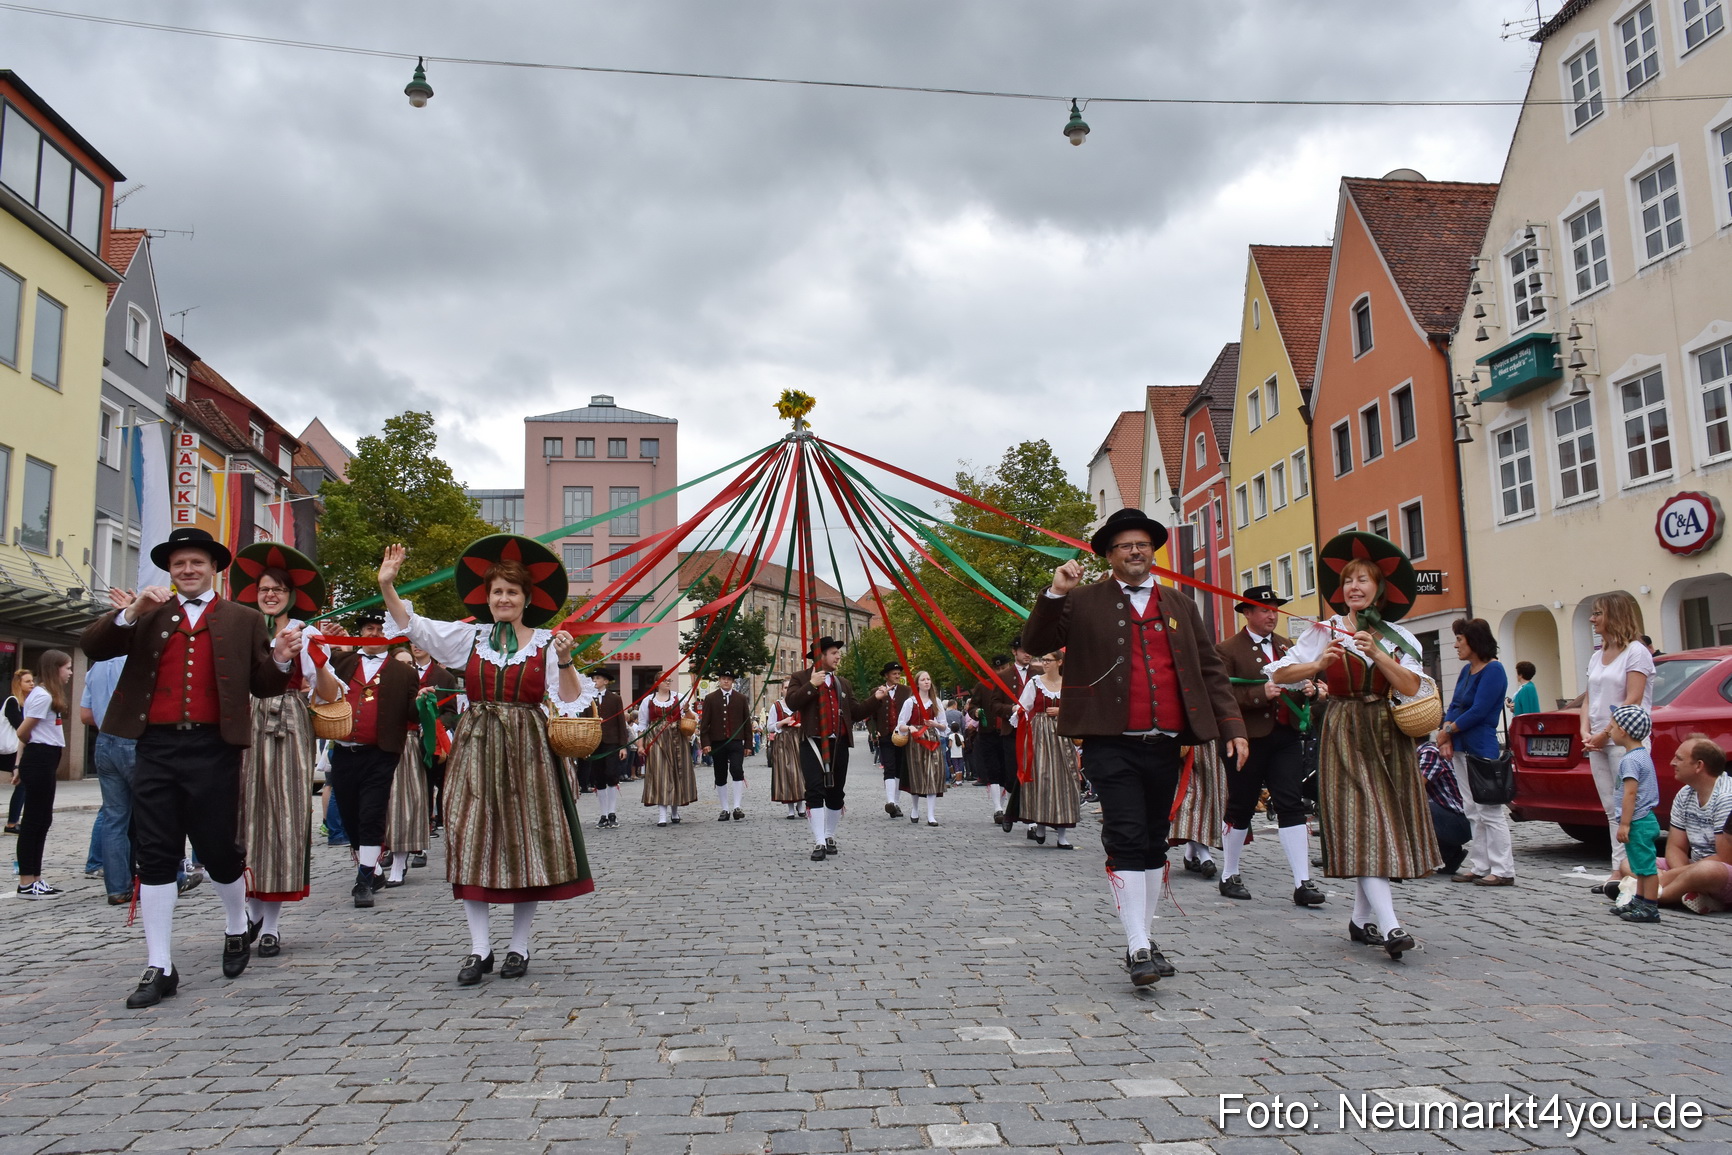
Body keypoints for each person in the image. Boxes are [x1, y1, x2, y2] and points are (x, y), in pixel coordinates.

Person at [1020, 508, 1246, 986]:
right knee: (1124, 834)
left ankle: (1144, 937)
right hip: (1109, 742)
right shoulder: (1081, 600)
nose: (1136, 551)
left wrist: (1232, 726)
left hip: (1166, 743)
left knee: (1151, 840)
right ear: (1109, 554)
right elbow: (1034, 640)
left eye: (1143, 543)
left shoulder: (1179, 603)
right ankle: (1137, 945)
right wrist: (1056, 591)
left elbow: (1209, 669)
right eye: (1126, 545)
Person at [80, 526, 301, 1008]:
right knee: (156, 853)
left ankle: (236, 923)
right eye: (179, 564)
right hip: (154, 746)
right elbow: (93, 646)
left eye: (196, 562)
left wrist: (281, 659)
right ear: (169, 570)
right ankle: (160, 964)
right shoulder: (148, 613)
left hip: (213, 748)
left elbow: (262, 686)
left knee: (219, 849)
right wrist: (129, 611)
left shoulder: (243, 619)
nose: (187, 570)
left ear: (213, 568)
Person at [378, 536, 595, 984]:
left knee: (526, 842)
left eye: (512, 592)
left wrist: (568, 660)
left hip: (529, 751)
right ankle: (479, 949)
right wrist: (388, 584)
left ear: (526, 599)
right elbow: (413, 626)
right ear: (487, 597)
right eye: (497, 591)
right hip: (476, 747)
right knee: (470, 836)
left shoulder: (547, 644)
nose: (503, 599)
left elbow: (572, 701)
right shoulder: (469, 637)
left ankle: (518, 945)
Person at [1270, 531, 1438, 961]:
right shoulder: (1323, 630)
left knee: (1379, 824)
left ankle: (1361, 918)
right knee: (1368, 821)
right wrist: (1317, 663)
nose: (1355, 587)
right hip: (1344, 729)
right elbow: (1279, 676)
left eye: (1364, 580)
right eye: (1348, 581)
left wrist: (1379, 654)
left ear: (1379, 589)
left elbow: (1413, 687)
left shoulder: (1398, 636)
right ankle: (1391, 925)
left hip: (1386, 732)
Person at [229, 544, 341, 954]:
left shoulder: (306, 633)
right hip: (246, 719)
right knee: (244, 817)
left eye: (278, 589)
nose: (270, 594)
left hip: (289, 722)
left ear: (291, 595)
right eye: (264, 589)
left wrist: (316, 659)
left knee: (284, 816)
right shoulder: (242, 626)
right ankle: (247, 911)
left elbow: (327, 694)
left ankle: (271, 922)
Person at [1215, 585, 1325, 906]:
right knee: (1241, 806)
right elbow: (1222, 697)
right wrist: (1258, 694)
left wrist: (1309, 690)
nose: (1272, 615)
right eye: (1264, 610)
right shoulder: (1228, 650)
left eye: (1275, 609)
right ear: (1247, 613)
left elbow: (1300, 680)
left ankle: (1302, 881)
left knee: (1291, 804)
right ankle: (1229, 873)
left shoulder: (1287, 646)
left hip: (1285, 736)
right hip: (1247, 738)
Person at [327, 611, 420, 907]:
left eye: (380, 629)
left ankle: (364, 879)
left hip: (381, 752)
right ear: (361, 633)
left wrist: (424, 705)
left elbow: (411, 715)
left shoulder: (404, 671)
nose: (375, 633)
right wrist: (328, 643)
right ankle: (374, 869)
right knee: (349, 814)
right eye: (369, 628)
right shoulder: (341, 663)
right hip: (343, 749)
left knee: (371, 812)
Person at [784, 637, 883, 861]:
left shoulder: (843, 683)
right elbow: (791, 702)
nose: (838, 656)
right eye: (833, 652)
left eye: (838, 652)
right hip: (813, 742)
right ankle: (819, 840)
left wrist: (875, 699)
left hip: (838, 743)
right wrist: (812, 685)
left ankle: (829, 835)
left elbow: (855, 712)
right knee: (815, 789)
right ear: (821, 656)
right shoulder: (800, 677)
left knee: (836, 792)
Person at [1580, 592, 1655, 881]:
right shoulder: (1597, 655)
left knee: (1630, 807)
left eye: (1598, 613)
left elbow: (1633, 698)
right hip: (1599, 741)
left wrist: (1605, 732)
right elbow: (1589, 696)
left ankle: (1634, 870)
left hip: (1624, 740)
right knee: (1611, 808)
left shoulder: (1636, 652)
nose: (1592, 619)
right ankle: (1617, 869)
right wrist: (1585, 729)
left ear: (1615, 615)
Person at [1437, 618, 1513, 887]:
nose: (1456, 644)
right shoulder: (1466, 671)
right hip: (1460, 746)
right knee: (1471, 809)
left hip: (1481, 747)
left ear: (1474, 641)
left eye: (1460, 639)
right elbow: (1455, 703)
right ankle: (1480, 864)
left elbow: (1479, 710)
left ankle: (1503, 869)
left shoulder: (1494, 670)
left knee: (1489, 809)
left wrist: (1450, 730)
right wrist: (1446, 731)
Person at [14, 650, 72, 898]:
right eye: (67, 668)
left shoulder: (49, 695)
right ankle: (27, 881)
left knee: (42, 820)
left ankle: (35, 878)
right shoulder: (42, 696)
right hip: (39, 757)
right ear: (55, 668)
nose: (70, 672)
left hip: (46, 758)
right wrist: (24, 761)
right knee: (34, 821)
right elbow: (22, 733)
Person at [80, 656, 135, 905]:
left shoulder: (95, 668)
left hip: (104, 740)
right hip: (133, 740)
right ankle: (169, 877)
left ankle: (117, 888)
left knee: (114, 818)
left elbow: (85, 714)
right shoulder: (137, 661)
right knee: (154, 812)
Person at [1655, 736, 1732, 911]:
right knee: (1631, 863)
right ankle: (1694, 894)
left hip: (1722, 870)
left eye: (1679, 758)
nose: (1672, 763)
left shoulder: (1726, 797)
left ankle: (1653, 896)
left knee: (1706, 871)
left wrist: (1670, 877)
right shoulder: (1684, 793)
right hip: (1693, 867)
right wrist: (1683, 875)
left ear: (1699, 766)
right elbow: (1676, 846)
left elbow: (1726, 858)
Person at [1013, 652, 1078, 847]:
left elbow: (1078, 708)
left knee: (1065, 780)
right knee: (1041, 778)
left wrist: (1062, 710)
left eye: (1049, 660)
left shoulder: (1068, 684)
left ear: (1059, 662)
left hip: (1062, 735)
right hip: (1039, 735)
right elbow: (1023, 706)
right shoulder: (1035, 682)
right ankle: (1039, 826)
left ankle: (1062, 835)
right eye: (1043, 660)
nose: (1045, 663)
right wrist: (1019, 712)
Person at [1605, 705, 1662, 923]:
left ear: (1624, 732)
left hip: (1638, 820)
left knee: (1646, 867)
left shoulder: (1630, 760)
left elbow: (1630, 793)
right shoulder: (1641, 755)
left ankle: (1650, 907)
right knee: (1639, 865)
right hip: (1643, 818)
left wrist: (1625, 823)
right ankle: (1639, 900)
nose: (1609, 730)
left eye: (1613, 726)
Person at [971, 652, 1025, 822]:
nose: (1000, 671)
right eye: (997, 668)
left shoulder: (1014, 684)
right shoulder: (983, 686)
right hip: (989, 734)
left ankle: (1009, 806)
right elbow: (973, 706)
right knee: (993, 771)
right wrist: (976, 712)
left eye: (1003, 667)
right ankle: (998, 809)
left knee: (1009, 771)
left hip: (1009, 733)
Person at [897, 669, 951, 827]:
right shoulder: (910, 702)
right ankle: (914, 809)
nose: (927, 682)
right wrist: (910, 728)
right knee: (916, 775)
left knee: (932, 774)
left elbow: (944, 726)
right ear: (917, 683)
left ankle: (931, 815)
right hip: (916, 742)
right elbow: (901, 724)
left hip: (932, 740)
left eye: (928, 679)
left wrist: (935, 724)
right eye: (923, 680)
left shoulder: (936, 702)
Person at [699, 672, 754, 821]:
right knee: (720, 774)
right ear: (719, 680)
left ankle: (737, 806)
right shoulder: (710, 698)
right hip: (718, 741)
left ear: (733, 682)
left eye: (729, 679)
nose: (726, 681)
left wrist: (749, 744)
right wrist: (706, 743)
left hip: (736, 741)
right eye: (723, 679)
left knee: (737, 769)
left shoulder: (741, 698)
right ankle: (724, 808)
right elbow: (705, 724)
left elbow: (746, 723)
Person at [639, 685, 697, 826]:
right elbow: (642, 725)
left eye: (669, 680)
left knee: (678, 772)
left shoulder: (679, 697)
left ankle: (675, 812)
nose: (668, 682)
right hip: (656, 739)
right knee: (660, 775)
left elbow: (693, 718)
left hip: (677, 739)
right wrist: (640, 746)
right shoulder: (648, 700)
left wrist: (687, 709)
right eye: (665, 680)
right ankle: (662, 815)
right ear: (657, 683)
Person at [583, 669, 631, 829]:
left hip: (612, 742)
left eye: (598, 678)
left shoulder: (615, 699)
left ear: (605, 681)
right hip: (595, 743)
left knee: (612, 775)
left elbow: (620, 723)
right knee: (599, 778)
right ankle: (603, 814)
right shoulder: (587, 699)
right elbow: (584, 722)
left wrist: (623, 746)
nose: (595, 681)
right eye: (593, 678)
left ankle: (612, 812)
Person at [1417, 737, 1470, 876]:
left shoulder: (1428, 752)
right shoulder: (1421, 751)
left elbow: (1415, 788)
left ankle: (1424, 864)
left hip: (1459, 822)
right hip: (1450, 818)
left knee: (1415, 809)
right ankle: (1451, 854)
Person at [869, 663, 912, 818]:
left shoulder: (907, 691)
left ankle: (896, 803)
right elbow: (870, 715)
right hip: (885, 735)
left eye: (898, 673)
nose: (897, 676)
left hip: (902, 736)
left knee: (899, 769)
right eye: (894, 673)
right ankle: (890, 801)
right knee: (889, 767)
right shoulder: (877, 692)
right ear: (886, 675)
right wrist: (874, 732)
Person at [765, 694, 806, 819]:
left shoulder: (801, 704)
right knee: (786, 772)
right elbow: (770, 727)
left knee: (799, 772)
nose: (788, 690)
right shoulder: (776, 706)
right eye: (785, 687)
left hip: (798, 740)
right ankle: (790, 808)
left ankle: (801, 804)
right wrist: (783, 722)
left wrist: (800, 725)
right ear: (782, 690)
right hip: (782, 742)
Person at [2, 669, 31, 835]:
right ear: (18, 684)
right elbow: (20, 727)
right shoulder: (12, 702)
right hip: (6, 750)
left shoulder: (25, 704)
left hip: (11, 750)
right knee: (23, 781)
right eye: (27, 681)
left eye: (31, 681)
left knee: (23, 782)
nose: (31, 684)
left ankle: (13, 822)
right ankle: (12, 823)